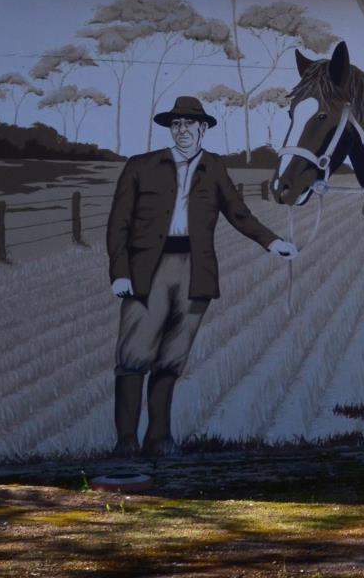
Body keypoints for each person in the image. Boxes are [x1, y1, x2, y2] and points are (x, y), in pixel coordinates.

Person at [105, 95, 296, 457]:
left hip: (196, 273)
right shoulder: (141, 166)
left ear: (203, 129)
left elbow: (238, 214)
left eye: (189, 124)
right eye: (175, 125)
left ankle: (159, 438)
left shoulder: (214, 168)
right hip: (147, 272)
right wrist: (120, 273)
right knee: (133, 358)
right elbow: (118, 225)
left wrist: (273, 243)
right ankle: (126, 442)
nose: (182, 131)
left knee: (171, 359)